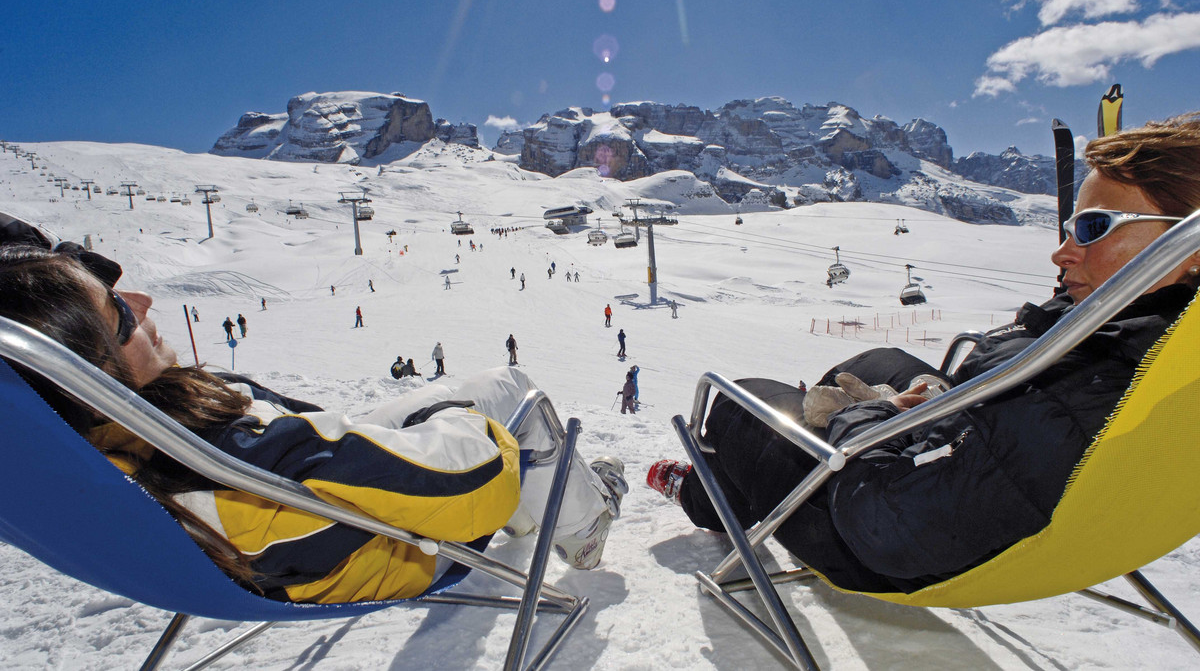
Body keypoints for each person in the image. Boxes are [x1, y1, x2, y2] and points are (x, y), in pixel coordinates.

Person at [647, 113, 1200, 595]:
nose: (1061, 252)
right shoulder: (1162, 341)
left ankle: (705, 496)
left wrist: (865, 416)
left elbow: (884, 523)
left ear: (1191, 248)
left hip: (875, 540)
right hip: (981, 465)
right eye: (1071, 227)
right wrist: (939, 406)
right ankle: (762, 471)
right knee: (878, 361)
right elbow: (1013, 432)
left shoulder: (1077, 389)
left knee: (742, 404)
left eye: (1094, 227)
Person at [0, 247, 630, 600]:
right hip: (385, 550)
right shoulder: (229, 450)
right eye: (118, 311)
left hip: (296, 531)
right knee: (512, 394)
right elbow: (473, 485)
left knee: (458, 391)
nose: (142, 301)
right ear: (88, 365)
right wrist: (471, 427)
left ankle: (537, 501)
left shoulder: (83, 440)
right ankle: (582, 528)